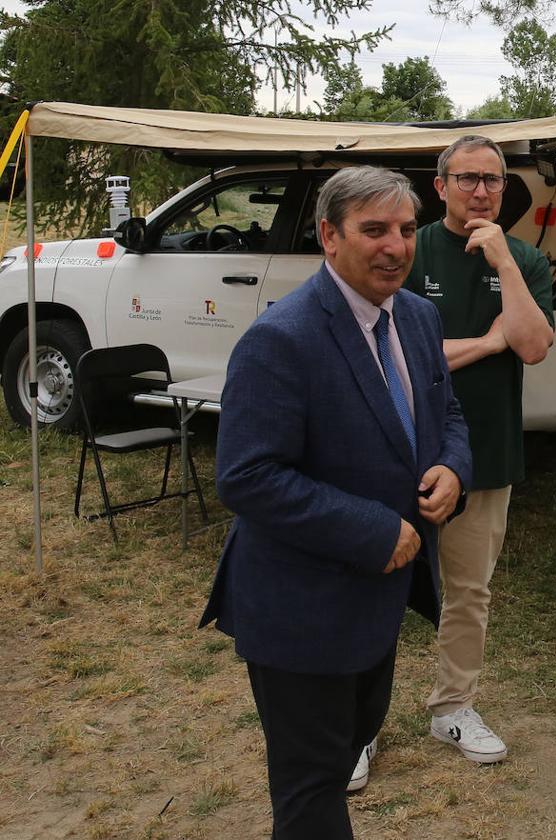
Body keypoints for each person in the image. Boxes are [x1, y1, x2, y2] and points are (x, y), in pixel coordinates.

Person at [199, 166, 471, 839]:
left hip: (375, 606)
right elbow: (246, 475)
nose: (396, 246)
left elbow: (449, 415)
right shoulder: (282, 339)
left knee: (349, 742)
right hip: (300, 609)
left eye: (407, 230)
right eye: (374, 230)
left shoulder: (417, 315)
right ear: (329, 236)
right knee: (312, 789)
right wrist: (374, 529)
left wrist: (452, 470)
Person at [350, 135, 554, 784]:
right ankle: (357, 728)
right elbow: (391, 353)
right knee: (375, 583)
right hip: (398, 447)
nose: (481, 191)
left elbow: (531, 345)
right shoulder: (409, 250)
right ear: (440, 187)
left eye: (492, 180)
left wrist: (506, 265)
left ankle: (453, 706)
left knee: (468, 591)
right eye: (467, 179)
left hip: (486, 451)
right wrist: (484, 341)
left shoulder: (523, 258)